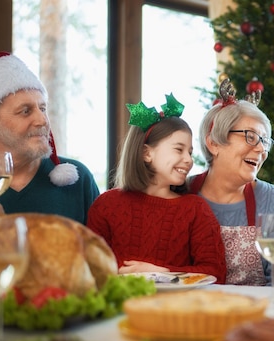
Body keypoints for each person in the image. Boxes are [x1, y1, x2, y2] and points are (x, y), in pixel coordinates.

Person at [86, 94, 226, 283]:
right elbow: (88, 266)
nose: (189, 160)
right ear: (146, 153)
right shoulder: (106, 205)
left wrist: (161, 272)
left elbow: (215, 273)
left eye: (190, 152)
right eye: (179, 149)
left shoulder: (195, 209)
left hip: (176, 308)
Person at [0, 52, 99, 224]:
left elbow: (102, 250)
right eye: (25, 111)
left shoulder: (79, 181)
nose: (42, 120)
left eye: (42, 108)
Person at [188, 78, 274, 287]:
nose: (261, 150)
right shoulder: (181, 193)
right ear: (213, 143)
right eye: (251, 137)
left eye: (265, 141)